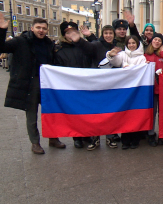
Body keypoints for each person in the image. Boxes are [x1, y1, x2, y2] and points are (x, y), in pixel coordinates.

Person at [0, 14, 66, 154]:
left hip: (47, 83)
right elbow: (2, 47)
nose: (41, 30)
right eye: (38, 28)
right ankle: (35, 142)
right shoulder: (20, 41)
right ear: (32, 28)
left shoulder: (49, 44)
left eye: (43, 28)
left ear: (47, 30)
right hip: (30, 82)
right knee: (31, 114)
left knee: (51, 112)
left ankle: (53, 138)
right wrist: (2, 30)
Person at [78, 25, 120, 150]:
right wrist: (82, 38)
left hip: (112, 84)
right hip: (96, 84)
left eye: (110, 33)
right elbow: (88, 47)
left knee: (110, 112)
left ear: (114, 35)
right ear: (102, 34)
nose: (108, 35)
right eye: (106, 33)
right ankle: (94, 138)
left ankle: (110, 137)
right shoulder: (96, 45)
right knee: (95, 113)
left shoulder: (117, 47)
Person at [54, 21, 94, 149]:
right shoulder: (59, 50)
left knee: (86, 112)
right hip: (70, 87)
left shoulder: (84, 46)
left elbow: (97, 49)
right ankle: (77, 137)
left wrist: (90, 37)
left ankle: (87, 134)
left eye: (74, 32)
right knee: (74, 113)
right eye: (68, 33)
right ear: (64, 35)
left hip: (86, 84)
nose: (71, 35)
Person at [106, 35, 146, 150]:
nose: (131, 45)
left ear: (137, 44)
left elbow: (141, 70)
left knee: (135, 115)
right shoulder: (123, 54)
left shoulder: (142, 57)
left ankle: (135, 140)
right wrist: (110, 55)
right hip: (124, 90)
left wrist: (129, 67)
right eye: (129, 43)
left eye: (133, 43)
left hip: (137, 90)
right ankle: (125, 140)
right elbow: (116, 61)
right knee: (125, 115)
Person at [144, 33, 163, 147]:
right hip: (150, 89)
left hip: (162, 88)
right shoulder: (146, 55)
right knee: (152, 112)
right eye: (155, 39)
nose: (157, 42)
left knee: (162, 113)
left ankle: (162, 135)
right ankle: (150, 134)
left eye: (159, 40)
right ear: (151, 41)